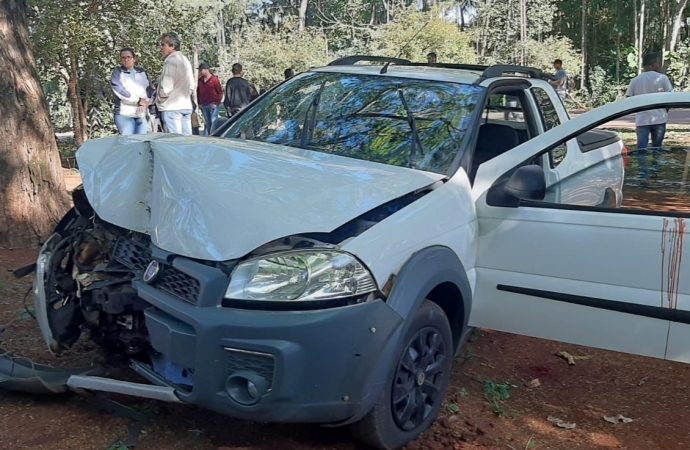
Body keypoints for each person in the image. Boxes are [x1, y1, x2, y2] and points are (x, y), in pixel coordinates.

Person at [626, 54, 674, 151]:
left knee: (641, 149)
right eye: (657, 63)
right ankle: (656, 166)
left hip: (642, 119)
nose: (658, 66)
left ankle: (642, 166)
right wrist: (664, 111)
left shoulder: (635, 80)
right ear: (652, 65)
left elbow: (629, 98)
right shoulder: (663, 78)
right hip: (659, 119)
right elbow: (671, 97)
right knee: (657, 148)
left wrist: (638, 109)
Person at [156, 32, 196, 135]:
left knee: (175, 143)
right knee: (187, 142)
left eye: (163, 44)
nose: (161, 48)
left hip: (172, 107)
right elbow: (191, 85)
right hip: (186, 105)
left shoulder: (171, 61)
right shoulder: (185, 60)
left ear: (172, 46)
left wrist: (160, 101)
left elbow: (166, 88)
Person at [110, 47, 153, 135]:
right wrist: (139, 101)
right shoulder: (117, 72)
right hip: (124, 113)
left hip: (141, 113)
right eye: (123, 58)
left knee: (141, 142)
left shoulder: (142, 72)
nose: (126, 60)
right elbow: (119, 90)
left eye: (128, 57)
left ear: (134, 59)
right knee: (128, 142)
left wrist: (146, 103)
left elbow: (149, 89)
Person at [196, 63, 223, 135]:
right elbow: (198, 92)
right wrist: (199, 103)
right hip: (204, 105)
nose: (200, 72)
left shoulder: (214, 79)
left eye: (201, 70)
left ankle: (214, 136)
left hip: (213, 104)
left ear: (206, 70)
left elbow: (220, 92)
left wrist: (216, 104)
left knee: (213, 121)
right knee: (207, 122)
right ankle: (208, 135)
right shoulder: (200, 81)